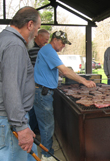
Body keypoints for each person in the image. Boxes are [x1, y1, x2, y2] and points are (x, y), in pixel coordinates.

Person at [33, 30, 96, 161]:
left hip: (43, 92)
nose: (63, 46)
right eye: (62, 43)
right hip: (42, 93)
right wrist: (84, 81)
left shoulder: (48, 51)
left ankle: (46, 149)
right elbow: (65, 71)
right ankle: (46, 155)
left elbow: (56, 70)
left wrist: (59, 73)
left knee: (46, 124)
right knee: (47, 125)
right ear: (55, 40)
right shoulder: (48, 50)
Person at [0, 6, 41, 161]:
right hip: (9, 119)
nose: (37, 33)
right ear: (30, 24)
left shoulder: (1, 38)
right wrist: (20, 126)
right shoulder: (14, 45)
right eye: (38, 28)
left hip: (8, 117)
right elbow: (11, 88)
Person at [28, 29, 50, 134]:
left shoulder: (39, 48)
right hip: (32, 84)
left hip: (34, 84)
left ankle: (34, 128)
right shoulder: (33, 49)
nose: (46, 42)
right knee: (32, 110)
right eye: (45, 40)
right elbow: (40, 68)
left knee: (33, 109)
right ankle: (31, 131)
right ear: (39, 37)